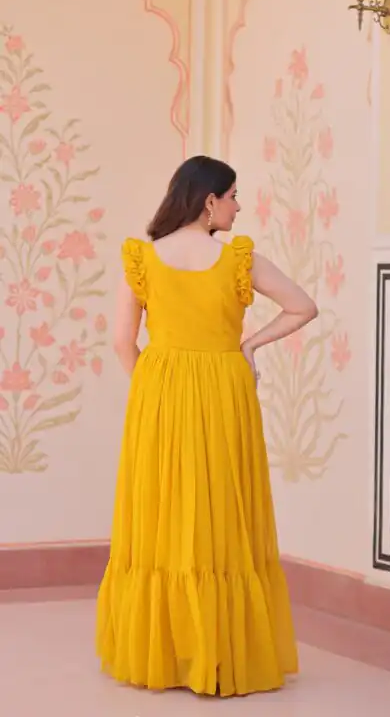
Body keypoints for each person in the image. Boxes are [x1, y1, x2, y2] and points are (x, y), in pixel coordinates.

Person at [96, 155, 318, 697]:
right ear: (209, 200)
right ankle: (220, 653)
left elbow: (123, 341)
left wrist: (152, 391)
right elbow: (303, 307)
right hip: (224, 390)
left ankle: (166, 652)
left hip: (160, 390)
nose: (239, 206)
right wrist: (248, 346)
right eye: (233, 195)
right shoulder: (239, 259)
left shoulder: (143, 257)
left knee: (165, 514)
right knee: (221, 512)